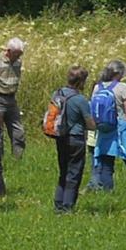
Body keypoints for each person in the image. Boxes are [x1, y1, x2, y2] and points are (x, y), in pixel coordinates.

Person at [46, 63, 94, 212]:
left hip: (60, 136)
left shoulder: (57, 93)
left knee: (64, 171)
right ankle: (68, 207)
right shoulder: (80, 100)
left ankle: (58, 204)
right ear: (81, 81)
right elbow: (90, 124)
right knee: (74, 173)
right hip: (76, 138)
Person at [88, 61, 126, 193]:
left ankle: (107, 191)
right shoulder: (123, 87)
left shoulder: (97, 87)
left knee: (106, 164)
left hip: (104, 129)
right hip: (122, 128)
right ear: (118, 73)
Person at [0, 38, 28, 160]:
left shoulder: (18, 62)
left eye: (21, 53)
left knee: (18, 130)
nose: (19, 56)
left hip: (12, 99)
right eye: (17, 53)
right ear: (9, 51)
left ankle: (18, 157)